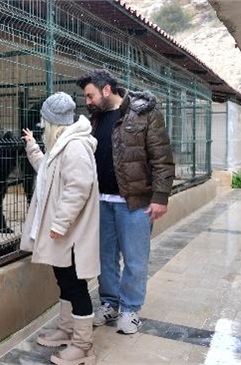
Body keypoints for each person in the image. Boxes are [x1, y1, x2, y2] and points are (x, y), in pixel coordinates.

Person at [76, 69, 175, 335]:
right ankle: (110, 303)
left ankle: (130, 309)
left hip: (135, 202)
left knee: (134, 258)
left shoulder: (144, 114)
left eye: (90, 95)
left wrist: (160, 197)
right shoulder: (94, 120)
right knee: (105, 257)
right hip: (101, 201)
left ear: (107, 90)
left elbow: (162, 158)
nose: (88, 101)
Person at [20, 92, 100, 365]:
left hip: (70, 234)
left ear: (54, 122)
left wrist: (59, 223)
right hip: (61, 235)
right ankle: (67, 329)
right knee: (64, 281)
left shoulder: (75, 147)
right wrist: (32, 146)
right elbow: (46, 171)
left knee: (76, 286)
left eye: (44, 122)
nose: (42, 127)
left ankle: (83, 346)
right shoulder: (62, 146)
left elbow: (78, 188)